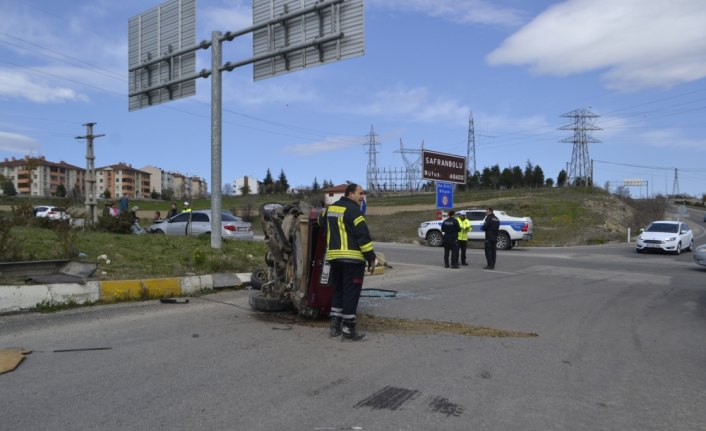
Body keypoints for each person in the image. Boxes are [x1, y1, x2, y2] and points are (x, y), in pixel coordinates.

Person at [319, 183, 376, 342]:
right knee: (351, 293)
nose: (362, 196)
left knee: (338, 290)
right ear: (350, 194)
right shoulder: (354, 212)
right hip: (353, 260)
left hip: (334, 259)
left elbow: (319, 221)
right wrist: (371, 257)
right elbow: (363, 237)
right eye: (360, 193)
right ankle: (349, 328)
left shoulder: (330, 209)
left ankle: (334, 326)